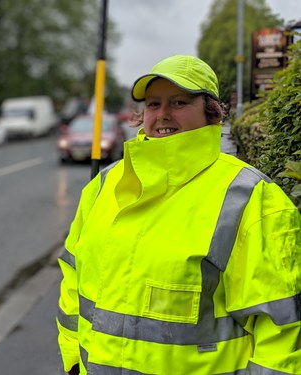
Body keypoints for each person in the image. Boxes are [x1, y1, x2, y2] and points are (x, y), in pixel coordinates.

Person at [56, 55, 301, 375]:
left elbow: (281, 329)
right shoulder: (106, 184)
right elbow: (74, 275)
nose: (163, 114)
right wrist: (73, 356)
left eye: (180, 102)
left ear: (211, 112)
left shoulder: (252, 198)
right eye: (154, 104)